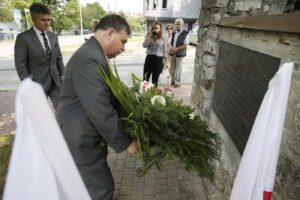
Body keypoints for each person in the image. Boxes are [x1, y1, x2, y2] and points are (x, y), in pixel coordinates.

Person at [56, 14, 138, 200]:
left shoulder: (93, 53)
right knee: (101, 189)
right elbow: (100, 109)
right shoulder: (90, 59)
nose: (123, 48)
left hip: (82, 133)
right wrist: (126, 142)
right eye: (123, 41)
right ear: (110, 33)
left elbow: (104, 89)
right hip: (80, 138)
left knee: (91, 187)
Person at [14, 2, 64, 110]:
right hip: (36, 85)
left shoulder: (53, 36)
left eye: (49, 20)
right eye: (43, 20)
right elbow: (20, 65)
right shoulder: (23, 38)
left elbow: (58, 57)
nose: (47, 23)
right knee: (39, 114)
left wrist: (62, 74)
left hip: (56, 82)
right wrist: (28, 85)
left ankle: (61, 127)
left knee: (63, 110)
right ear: (33, 20)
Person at [142, 21, 168, 86]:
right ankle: (143, 93)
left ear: (160, 29)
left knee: (155, 80)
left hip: (158, 60)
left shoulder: (163, 38)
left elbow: (165, 51)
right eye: (153, 28)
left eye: (157, 28)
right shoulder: (148, 35)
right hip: (149, 58)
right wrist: (149, 38)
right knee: (145, 78)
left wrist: (166, 62)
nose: (155, 30)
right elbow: (144, 45)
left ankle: (153, 95)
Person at [169, 18, 189, 88]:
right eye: (176, 24)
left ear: (182, 25)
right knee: (172, 68)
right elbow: (170, 42)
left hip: (180, 53)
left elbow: (185, 44)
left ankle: (178, 82)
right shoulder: (174, 32)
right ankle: (173, 80)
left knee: (178, 69)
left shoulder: (185, 33)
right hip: (173, 52)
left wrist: (176, 49)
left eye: (179, 24)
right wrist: (171, 48)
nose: (177, 26)